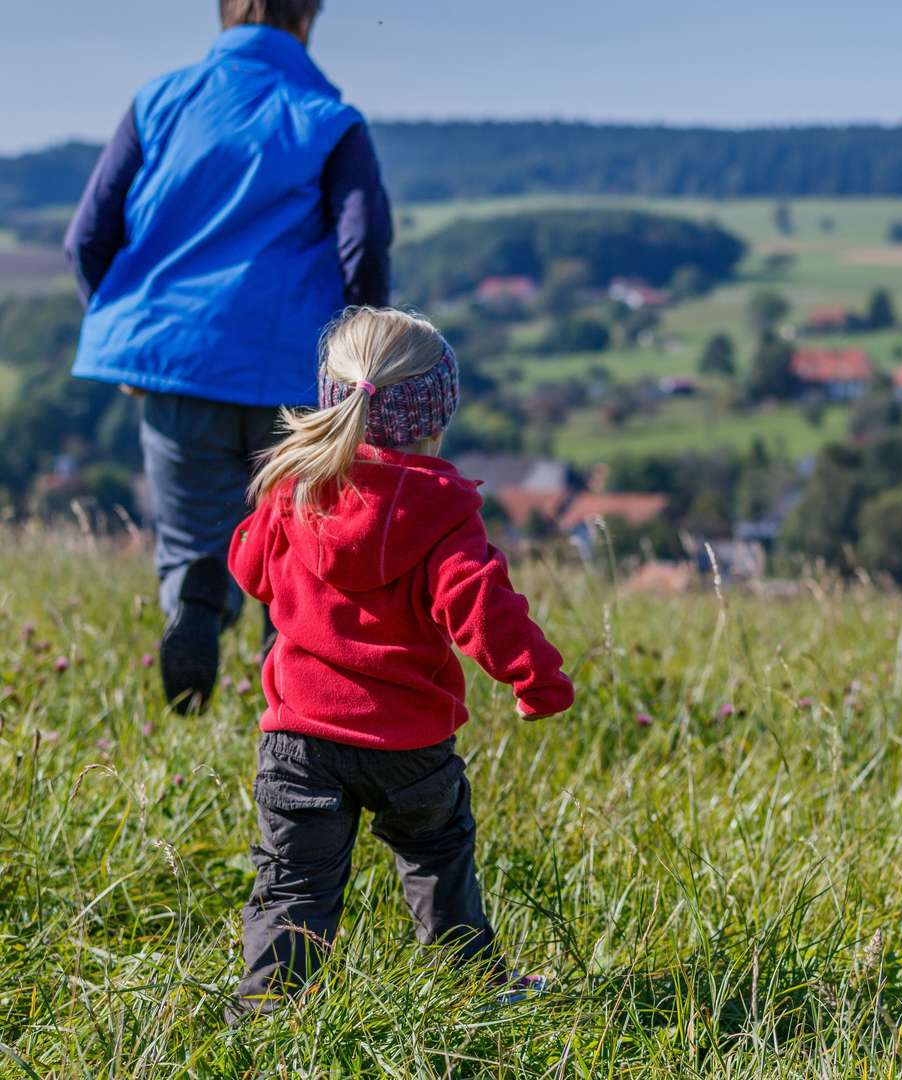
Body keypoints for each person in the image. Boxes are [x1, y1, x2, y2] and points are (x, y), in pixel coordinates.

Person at [227, 306, 575, 1015]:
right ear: (435, 415)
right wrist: (536, 680)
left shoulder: (295, 489)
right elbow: (481, 607)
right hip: (409, 743)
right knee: (438, 861)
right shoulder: (440, 508)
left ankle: (265, 1020)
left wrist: (279, 507)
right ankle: (472, 991)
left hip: (298, 740)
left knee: (295, 888)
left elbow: (249, 571)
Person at [64, 0, 392, 712]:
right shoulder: (329, 120)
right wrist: (364, 370)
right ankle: (294, 703)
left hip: (177, 366)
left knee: (190, 543)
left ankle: (194, 607)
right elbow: (363, 249)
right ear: (308, 17)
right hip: (299, 382)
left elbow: (88, 236)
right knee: (303, 552)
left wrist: (138, 330)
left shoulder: (157, 102)